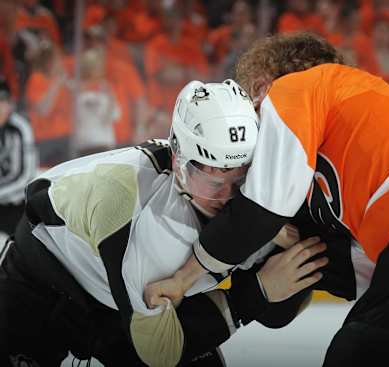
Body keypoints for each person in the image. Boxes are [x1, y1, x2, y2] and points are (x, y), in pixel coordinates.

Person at [149, 32, 389, 366]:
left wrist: (183, 278)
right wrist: (264, 284)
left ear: (263, 84)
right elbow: (334, 271)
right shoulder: (364, 118)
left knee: (355, 353)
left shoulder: (295, 89)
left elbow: (261, 211)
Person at [0, 79, 326, 367]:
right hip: (41, 281)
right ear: (178, 162)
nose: (227, 198)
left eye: (241, 180)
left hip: (114, 283)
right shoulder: (158, 229)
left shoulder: (257, 195)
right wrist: (258, 291)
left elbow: (280, 311)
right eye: (213, 182)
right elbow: (160, 351)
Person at [0, 77, 37, 236]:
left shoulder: (20, 128)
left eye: (2, 102)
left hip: (14, 207)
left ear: (9, 104)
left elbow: (24, 177)